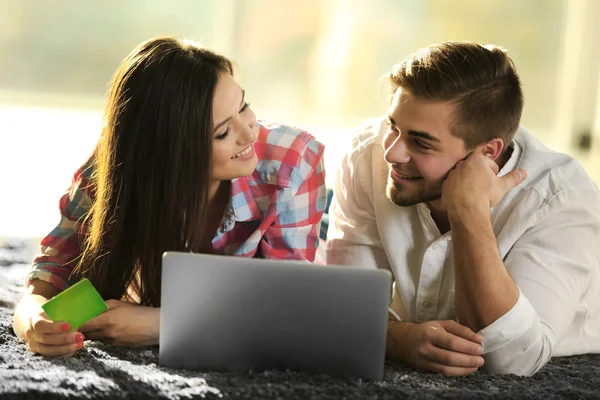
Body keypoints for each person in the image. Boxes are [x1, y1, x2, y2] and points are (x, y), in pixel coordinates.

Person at [13, 37, 327, 357]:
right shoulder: (117, 168)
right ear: (171, 152)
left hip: (304, 218)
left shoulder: (295, 159)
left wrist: (165, 323)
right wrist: (33, 324)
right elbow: (48, 280)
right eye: (222, 132)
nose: (250, 132)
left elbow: (290, 309)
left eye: (243, 106)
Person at [327, 41, 600, 377]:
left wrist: (468, 209)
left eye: (421, 143)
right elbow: (343, 306)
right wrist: (399, 340)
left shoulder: (562, 198)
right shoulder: (364, 155)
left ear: (487, 152)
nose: (392, 153)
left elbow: (512, 360)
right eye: (393, 127)